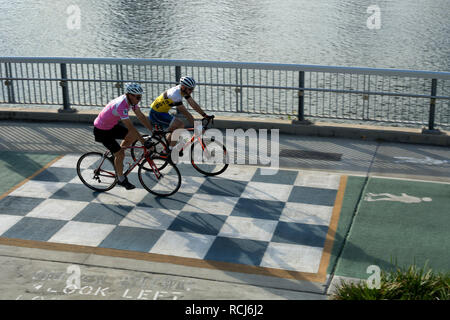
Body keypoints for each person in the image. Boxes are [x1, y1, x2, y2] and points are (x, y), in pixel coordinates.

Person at [93, 82, 153, 190]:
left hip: (111, 125)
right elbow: (131, 127)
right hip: (101, 130)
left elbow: (140, 116)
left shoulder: (131, 101)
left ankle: (117, 155)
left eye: (140, 97)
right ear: (130, 95)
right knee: (121, 154)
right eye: (138, 97)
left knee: (131, 137)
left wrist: (152, 130)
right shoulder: (121, 105)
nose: (139, 99)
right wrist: (143, 142)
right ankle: (120, 179)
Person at [148, 76, 210, 150]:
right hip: (156, 114)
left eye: (192, 89)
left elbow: (193, 104)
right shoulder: (175, 95)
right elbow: (186, 113)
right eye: (190, 89)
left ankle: (166, 150)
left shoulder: (182, 90)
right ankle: (170, 150)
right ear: (183, 87)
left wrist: (204, 115)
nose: (191, 91)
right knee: (180, 125)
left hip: (162, 112)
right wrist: (198, 127)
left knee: (175, 129)